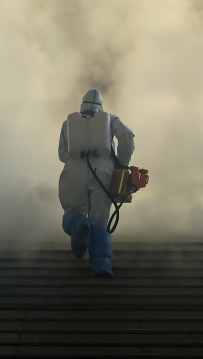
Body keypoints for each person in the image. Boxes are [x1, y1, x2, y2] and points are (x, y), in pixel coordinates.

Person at [58, 89, 135, 277]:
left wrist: (74, 159)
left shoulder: (69, 122)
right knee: (99, 218)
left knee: (74, 210)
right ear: (101, 105)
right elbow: (127, 136)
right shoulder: (110, 119)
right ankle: (101, 263)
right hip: (103, 169)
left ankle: (78, 223)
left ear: (82, 104)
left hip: (74, 168)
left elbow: (62, 154)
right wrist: (122, 161)